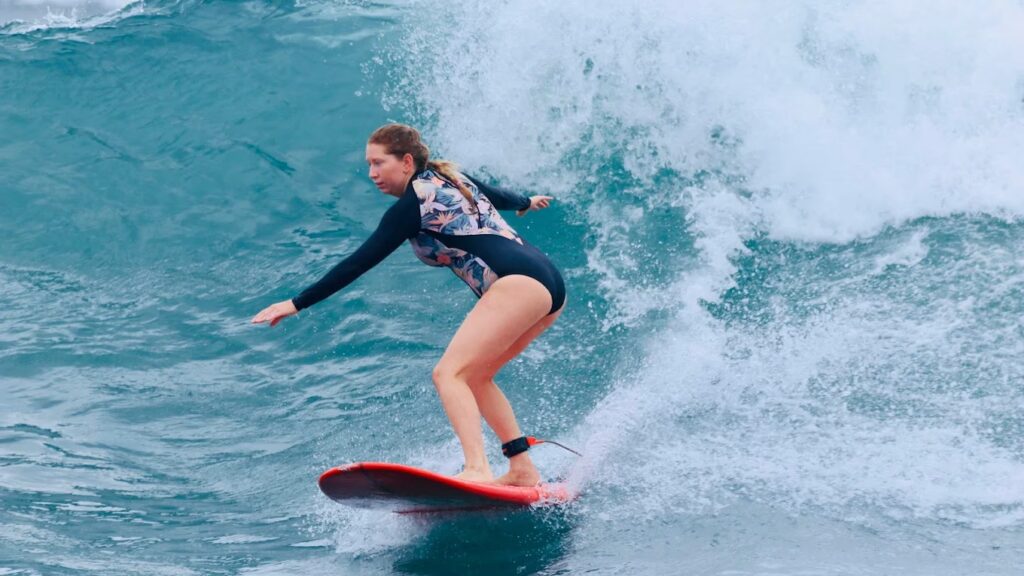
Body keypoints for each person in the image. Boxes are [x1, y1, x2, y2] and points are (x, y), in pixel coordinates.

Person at [251, 123, 564, 487]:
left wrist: (296, 303)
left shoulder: (412, 204)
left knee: (448, 374)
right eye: (368, 165)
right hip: (547, 282)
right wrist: (527, 202)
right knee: (475, 376)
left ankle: (477, 468)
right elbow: (497, 195)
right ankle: (523, 469)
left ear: (406, 161)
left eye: (378, 163)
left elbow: (359, 262)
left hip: (518, 285)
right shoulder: (450, 177)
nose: (372, 174)